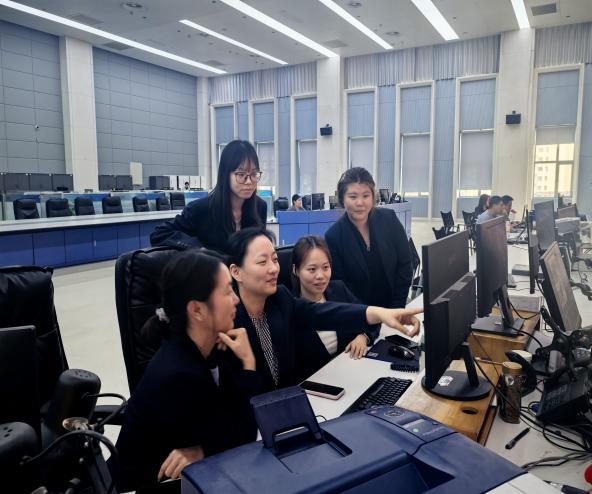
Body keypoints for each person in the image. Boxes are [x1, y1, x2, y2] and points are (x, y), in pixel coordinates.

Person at [112, 250, 260, 493]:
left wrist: (204, 448)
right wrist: (248, 364)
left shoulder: (214, 346)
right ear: (197, 310)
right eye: (227, 291)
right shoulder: (178, 375)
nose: (236, 299)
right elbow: (242, 434)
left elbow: (233, 420)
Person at [227, 227, 422, 392]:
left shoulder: (280, 298)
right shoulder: (228, 321)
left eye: (275, 260)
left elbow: (325, 313)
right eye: (262, 262)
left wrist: (381, 313)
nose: (273, 269)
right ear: (236, 272)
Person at [150, 140, 267, 253]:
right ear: (225, 175)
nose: (249, 181)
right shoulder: (201, 209)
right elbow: (159, 234)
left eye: (254, 174)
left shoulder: (260, 207)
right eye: (241, 174)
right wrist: (198, 248)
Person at [291, 235, 379, 378]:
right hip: (315, 386)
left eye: (326, 267)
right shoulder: (289, 307)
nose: (320, 276)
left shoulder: (339, 290)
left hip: (351, 375)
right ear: (296, 270)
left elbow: (371, 318)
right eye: (312, 269)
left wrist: (363, 337)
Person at [325, 167, 413, 309]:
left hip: (395, 308)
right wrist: (366, 316)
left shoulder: (389, 219)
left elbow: (405, 264)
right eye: (353, 197)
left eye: (365, 196)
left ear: (373, 197)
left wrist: (397, 307)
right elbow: (340, 287)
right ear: (342, 199)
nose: (360, 202)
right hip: (359, 315)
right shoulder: (334, 236)